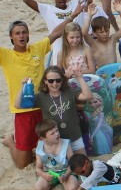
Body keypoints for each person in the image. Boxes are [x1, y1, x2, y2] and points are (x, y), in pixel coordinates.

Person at [1, 16, 77, 168]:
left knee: (49, 149)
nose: (21, 36)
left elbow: (55, 33)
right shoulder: (6, 55)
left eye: (24, 32)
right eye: (17, 33)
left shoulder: (37, 48)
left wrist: (72, 16)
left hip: (45, 107)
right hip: (23, 110)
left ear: (28, 34)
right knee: (23, 163)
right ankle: (10, 141)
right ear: (11, 36)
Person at [33, 119, 79, 190]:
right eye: (52, 133)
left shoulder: (65, 143)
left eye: (57, 130)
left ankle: (64, 183)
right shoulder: (40, 147)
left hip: (66, 171)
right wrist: (44, 175)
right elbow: (38, 168)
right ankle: (53, 183)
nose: (57, 134)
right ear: (43, 138)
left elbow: (73, 163)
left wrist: (65, 175)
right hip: (50, 173)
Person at [82, 3, 121, 69]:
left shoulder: (112, 39)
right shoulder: (93, 43)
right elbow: (84, 33)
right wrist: (89, 15)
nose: (105, 34)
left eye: (107, 31)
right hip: (102, 74)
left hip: (114, 72)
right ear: (94, 33)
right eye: (101, 32)